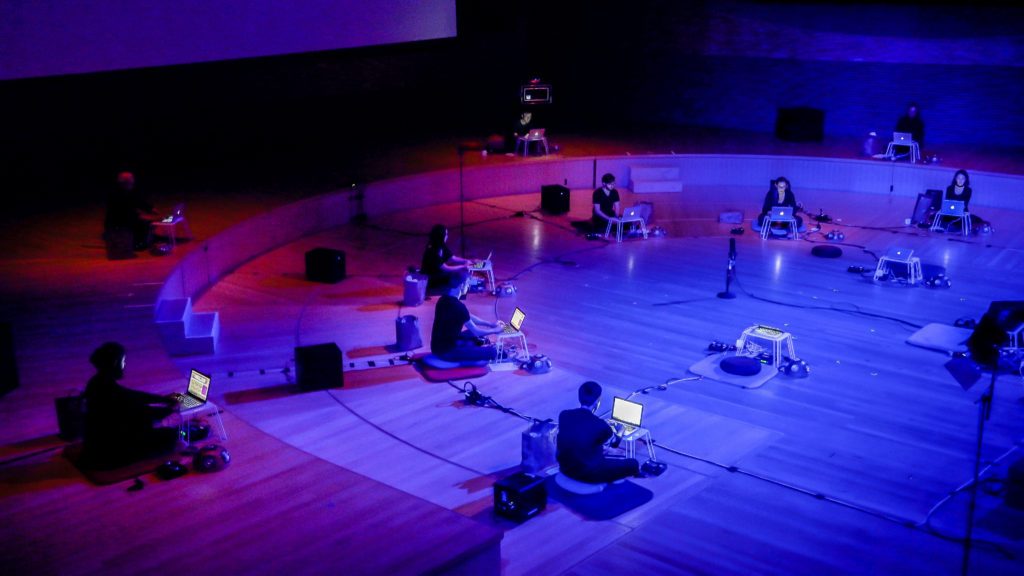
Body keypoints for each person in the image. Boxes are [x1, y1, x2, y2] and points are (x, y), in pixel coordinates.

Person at [82, 342, 180, 469]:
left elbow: (133, 395)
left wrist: (163, 399)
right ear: (115, 363)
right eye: (123, 361)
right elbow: (145, 412)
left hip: (98, 442)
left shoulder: (97, 381)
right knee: (170, 434)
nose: (124, 365)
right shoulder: (110, 390)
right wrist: (171, 409)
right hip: (111, 450)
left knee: (149, 426)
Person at [557, 381, 640, 484]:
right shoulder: (602, 426)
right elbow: (614, 444)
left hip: (565, 468)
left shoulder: (564, 415)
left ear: (579, 398)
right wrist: (621, 429)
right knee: (633, 463)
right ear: (597, 401)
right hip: (588, 474)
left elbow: (580, 437)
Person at [429, 270, 506, 363]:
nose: (468, 286)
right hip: (448, 352)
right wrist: (495, 330)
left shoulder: (443, 299)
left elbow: (468, 316)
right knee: (493, 352)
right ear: (462, 285)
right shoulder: (459, 307)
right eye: (467, 284)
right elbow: (477, 332)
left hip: (436, 347)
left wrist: (489, 324)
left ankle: (473, 347)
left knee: (470, 333)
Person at [104, 172, 159, 251]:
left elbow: (138, 201)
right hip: (117, 221)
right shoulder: (115, 194)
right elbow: (122, 211)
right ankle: (137, 244)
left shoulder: (128, 190)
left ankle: (147, 240)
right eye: (130, 183)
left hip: (126, 217)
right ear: (124, 183)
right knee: (142, 224)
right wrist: (140, 216)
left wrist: (150, 208)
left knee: (146, 222)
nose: (132, 185)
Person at [420, 224, 480, 291]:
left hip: (438, 273)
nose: (447, 236)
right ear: (441, 236)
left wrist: (469, 261)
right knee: (460, 275)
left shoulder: (441, 245)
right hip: (431, 278)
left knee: (461, 273)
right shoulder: (432, 250)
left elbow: (453, 258)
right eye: (446, 234)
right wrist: (463, 266)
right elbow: (446, 268)